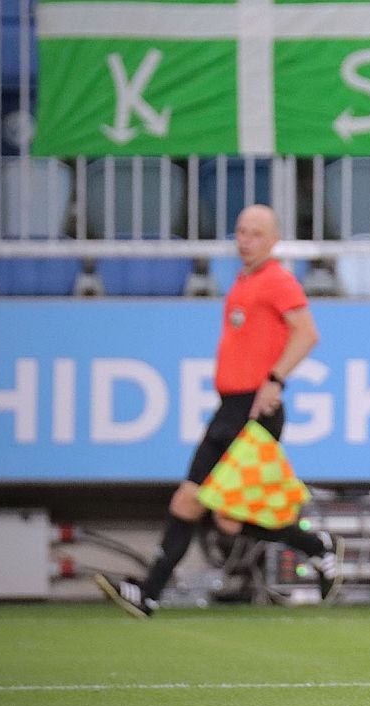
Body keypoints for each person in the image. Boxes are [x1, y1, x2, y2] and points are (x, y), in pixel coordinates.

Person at [96, 204, 342, 618]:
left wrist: (275, 379)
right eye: (241, 232)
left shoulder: (278, 280)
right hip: (230, 408)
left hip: (253, 410)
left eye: (256, 234)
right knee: (202, 507)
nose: (245, 240)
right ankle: (149, 595)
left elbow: (307, 333)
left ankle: (150, 593)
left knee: (211, 509)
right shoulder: (244, 280)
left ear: (274, 240)